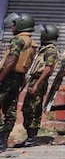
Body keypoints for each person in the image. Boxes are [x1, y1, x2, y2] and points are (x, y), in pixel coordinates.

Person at [14, 24, 60, 148]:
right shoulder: (44, 49)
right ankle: (29, 136)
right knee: (28, 108)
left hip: (39, 81)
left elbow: (48, 69)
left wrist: (37, 84)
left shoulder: (51, 50)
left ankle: (32, 137)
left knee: (33, 109)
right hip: (34, 80)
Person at [0, 13, 39, 151]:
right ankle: (2, 141)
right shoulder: (31, 42)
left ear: (21, 25)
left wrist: (1, 78)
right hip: (18, 78)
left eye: (15, 24)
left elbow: (12, 60)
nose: (12, 27)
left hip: (8, 76)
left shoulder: (18, 40)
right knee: (10, 109)